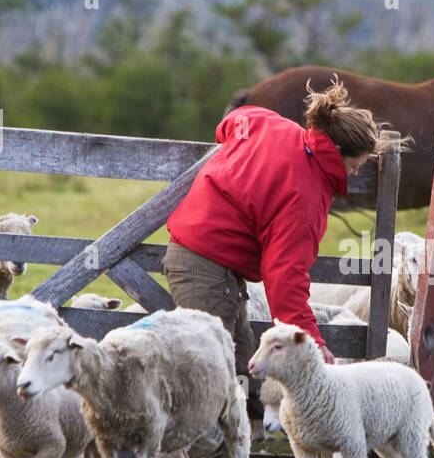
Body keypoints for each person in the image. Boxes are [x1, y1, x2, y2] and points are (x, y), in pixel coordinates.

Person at [163, 79, 397, 419]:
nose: (357, 171)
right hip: (205, 271)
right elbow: (285, 276)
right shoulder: (307, 196)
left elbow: (234, 121)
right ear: (337, 151)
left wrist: (237, 157)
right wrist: (312, 343)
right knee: (214, 387)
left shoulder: (271, 123)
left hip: (206, 263)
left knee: (242, 372)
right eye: (356, 163)